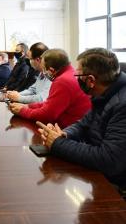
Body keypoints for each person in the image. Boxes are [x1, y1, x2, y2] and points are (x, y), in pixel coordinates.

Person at [37, 48, 126, 190]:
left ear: (90, 80)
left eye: (77, 75)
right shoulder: (105, 92)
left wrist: (58, 143)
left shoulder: (122, 104)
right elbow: (84, 123)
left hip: (117, 187)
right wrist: (64, 134)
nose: (75, 77)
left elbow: (109, 160)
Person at [9, 49, 91, 128]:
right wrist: (28, 106)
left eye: (44, 69)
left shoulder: (62, 81)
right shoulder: (69, 73)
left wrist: (22, 111)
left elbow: (47, 115)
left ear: (51, 70)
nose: (43, 73)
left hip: (68, 130)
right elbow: (50, 104)